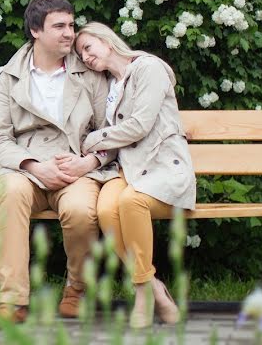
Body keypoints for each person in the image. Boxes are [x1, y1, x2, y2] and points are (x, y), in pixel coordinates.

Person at [0, 0, 120, 323]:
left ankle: (77, 288)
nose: (69, 33)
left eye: (71, 25)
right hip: (26, 168)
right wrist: (33, 166)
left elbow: (111, 131)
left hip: (76, 166)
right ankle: (13, 300)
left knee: (80, 211)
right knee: (12, 193)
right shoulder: (7, 76)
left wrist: (88, 164)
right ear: (35, 30)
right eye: (59, 26)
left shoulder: (89, 75)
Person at [75, 21, 196, 328]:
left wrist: (92, 140)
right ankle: (153, 287)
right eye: (81, 54)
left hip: (161, 167)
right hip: (127, 170)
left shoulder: (147, 68)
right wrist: (93, 157)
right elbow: (117, 142)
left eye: (88, 47)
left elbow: (140, 126)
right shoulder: (111, 88)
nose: (86, 57)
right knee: (104, 209)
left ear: (107, 41)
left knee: (130, 203)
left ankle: (141, 296)